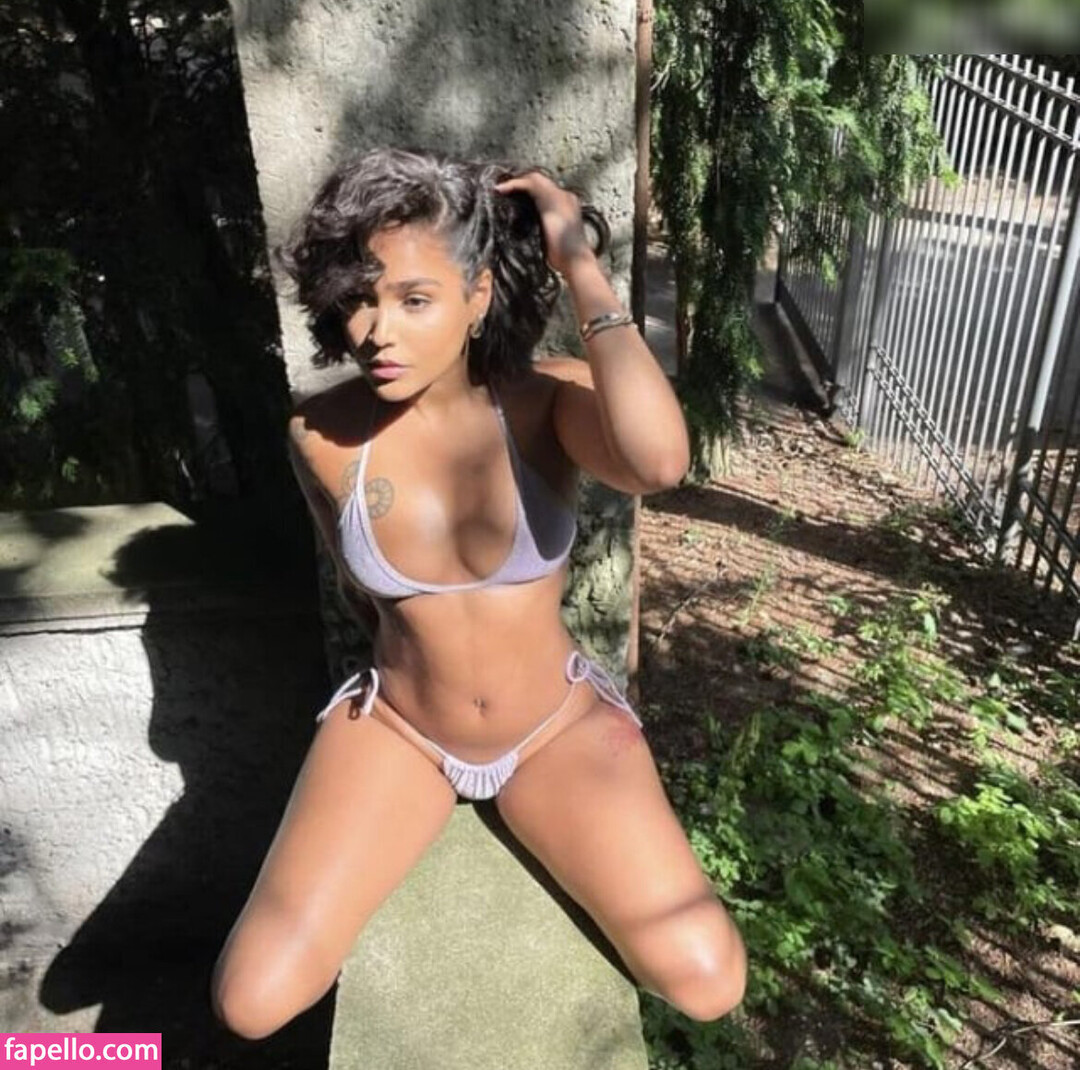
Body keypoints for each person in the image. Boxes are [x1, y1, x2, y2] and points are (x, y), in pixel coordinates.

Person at [209, 146, 747, 1040]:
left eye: (414, 299)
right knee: (251, 1001)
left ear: (478, 295)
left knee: (707, 979)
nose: (376, 332)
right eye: (357, 300)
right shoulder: (322, 434)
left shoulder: (547, 403)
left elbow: (658, 461)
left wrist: (579, 262)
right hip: (402, 730)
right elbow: (359, 595)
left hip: (554, 729)